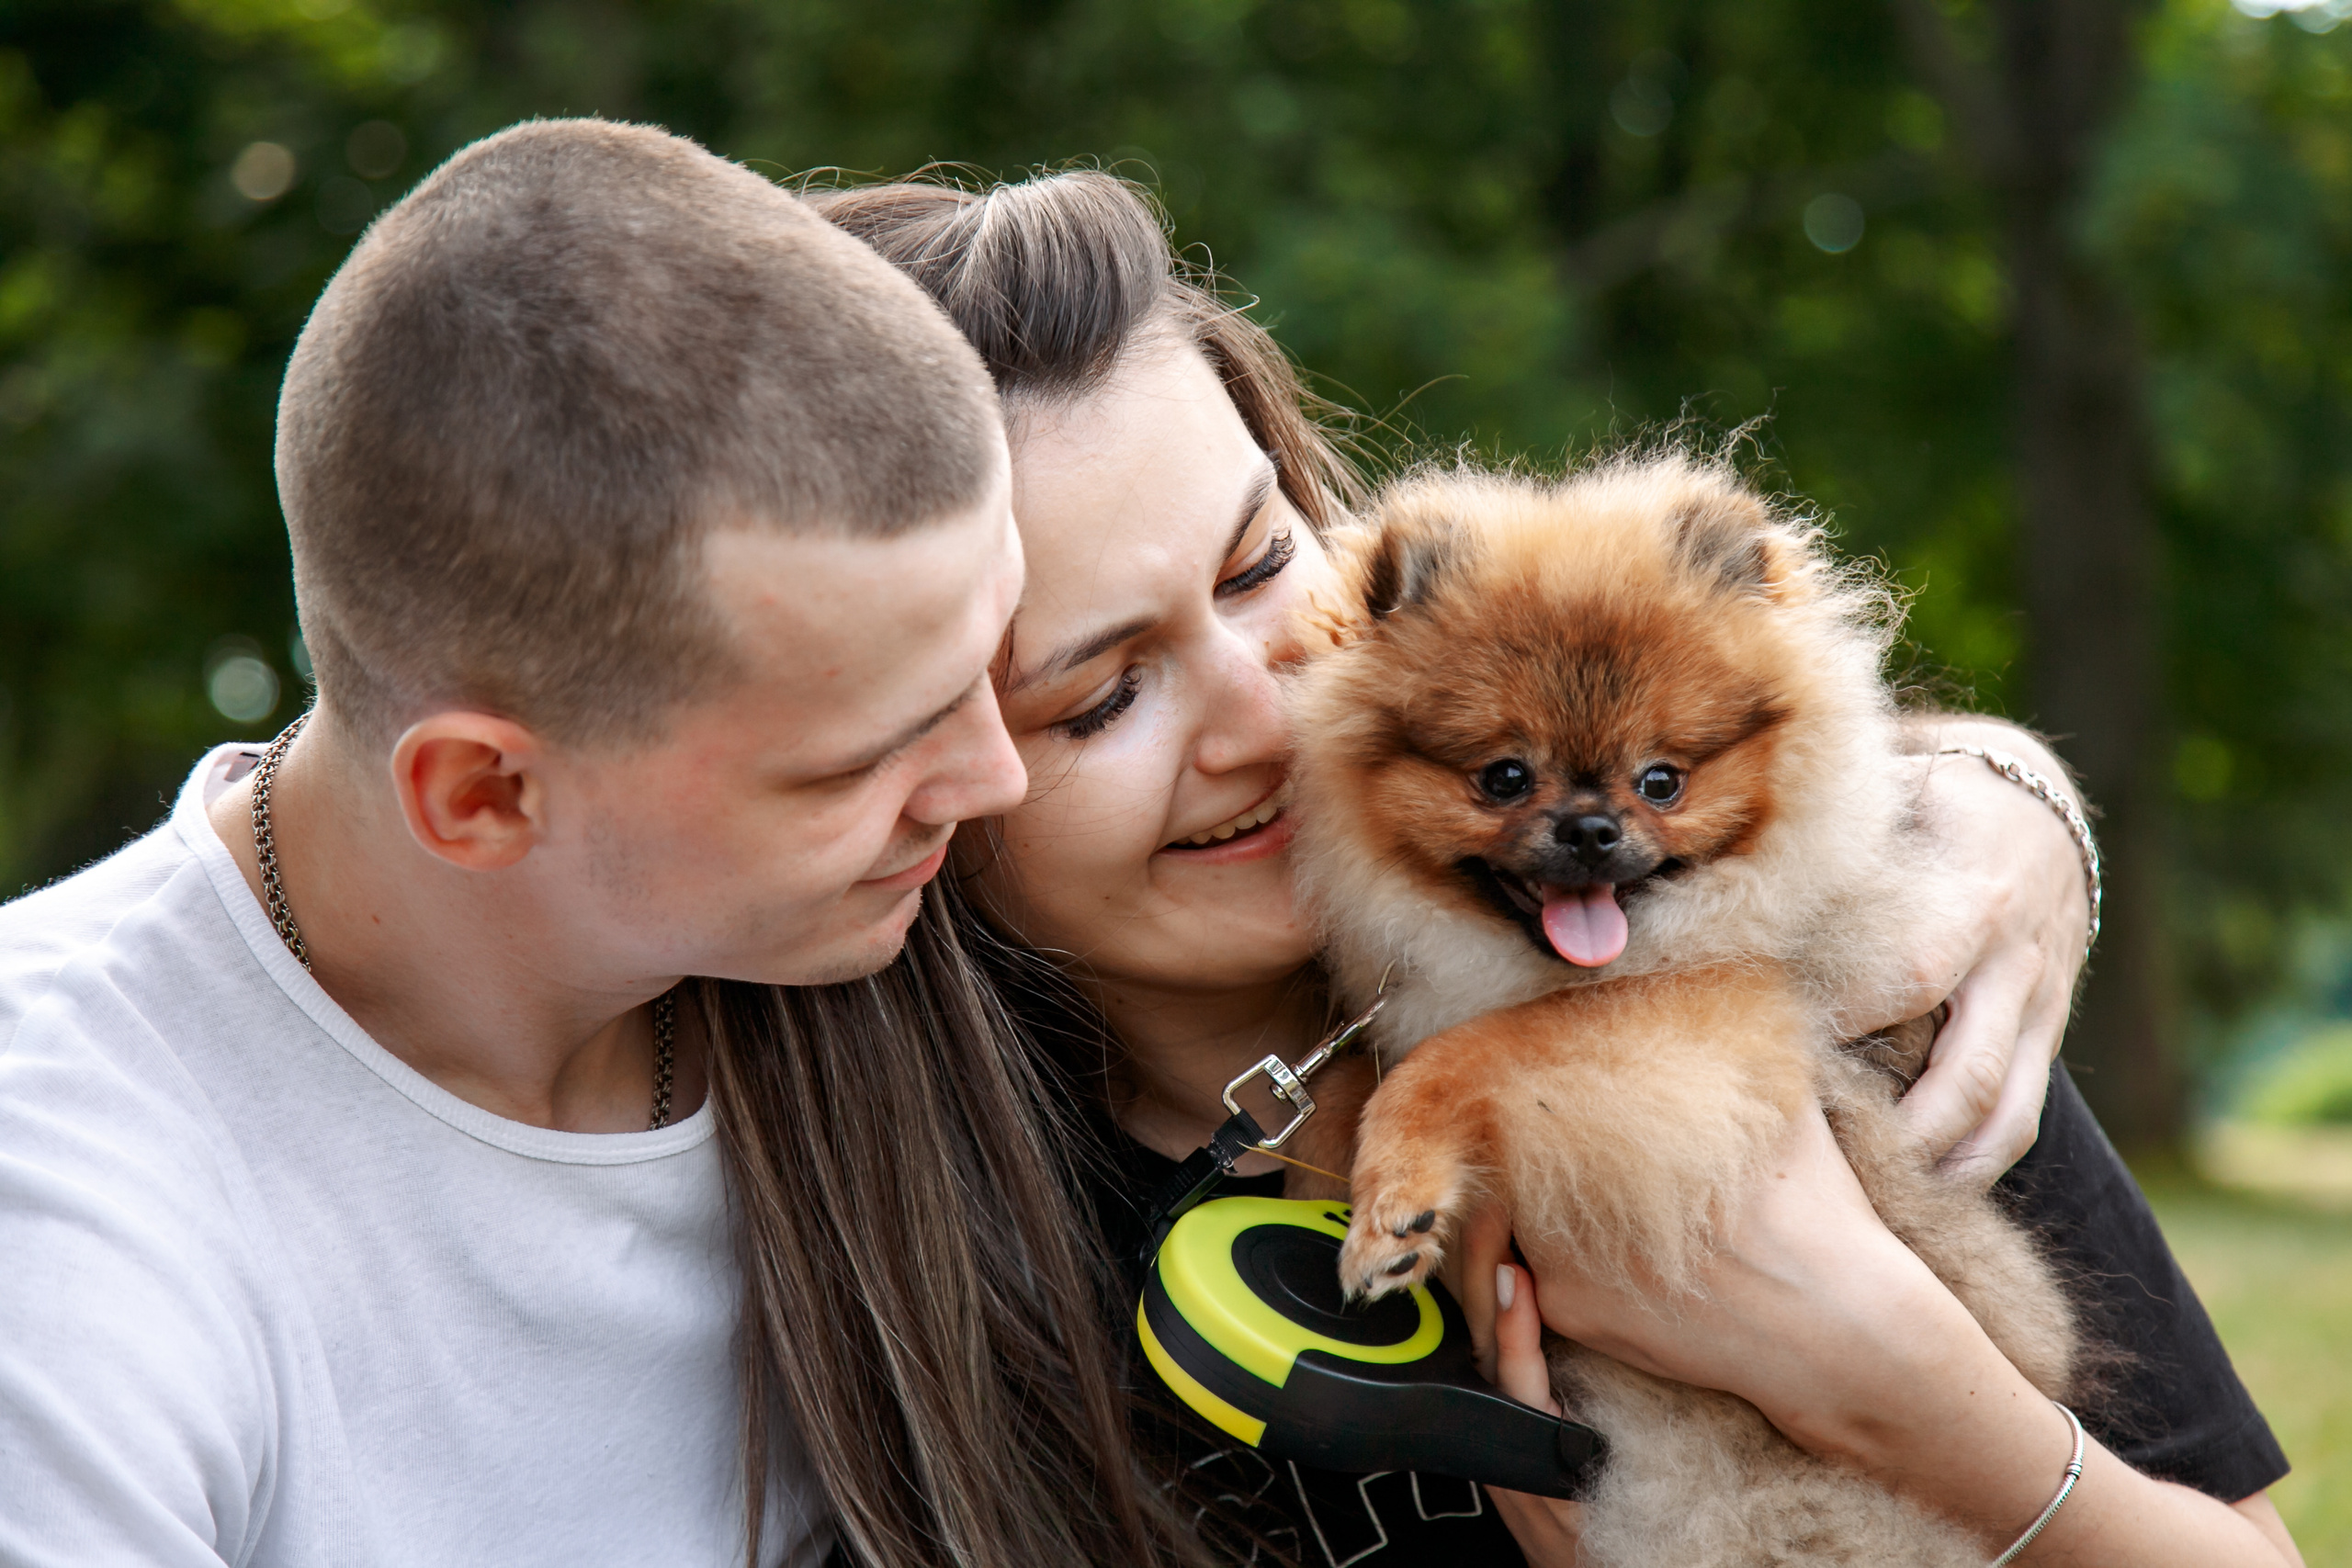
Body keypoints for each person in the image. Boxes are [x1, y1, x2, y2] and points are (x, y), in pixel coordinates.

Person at [808, 169, 2307, 1566]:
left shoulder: (1882, 972)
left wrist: (1915, 1401)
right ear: (910, 772)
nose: (1266, 714)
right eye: (1101, 697)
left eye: (1260, 565)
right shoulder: (915, 1273)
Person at [0, 118, 1185, 1568]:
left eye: (987, 672)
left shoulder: (888, 970)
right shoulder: (64, 1217)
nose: (994, 781)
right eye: (862, 758)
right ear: (483, 796)